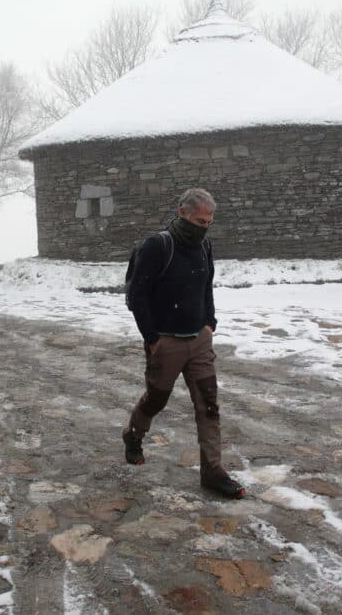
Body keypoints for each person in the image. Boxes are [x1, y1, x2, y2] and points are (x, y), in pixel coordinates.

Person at [122, 188, 244, 499]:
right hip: (166, 342)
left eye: (209, 222)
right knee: (156, 400)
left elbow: (207, 287)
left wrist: (209, 323)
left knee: (210, 406)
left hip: (199, 341)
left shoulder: (205, 246)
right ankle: (133, 435)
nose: (204, 228)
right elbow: (137, 296)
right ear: (182, 213)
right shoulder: (157, 246)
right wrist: (152, 339)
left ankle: (212, 471)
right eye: (200, 221)